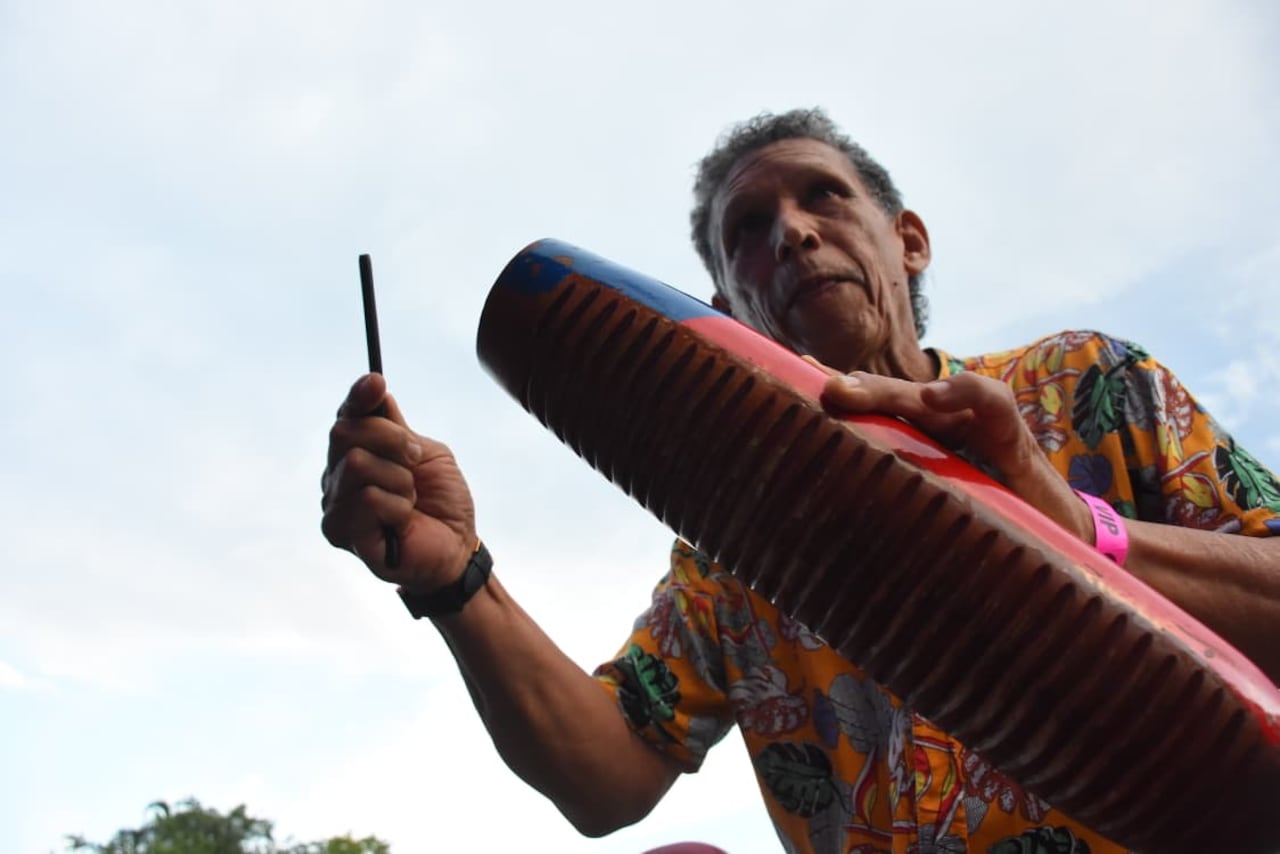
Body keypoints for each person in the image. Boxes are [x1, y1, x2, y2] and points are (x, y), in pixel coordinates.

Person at [320, 108, 1280, 852]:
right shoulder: (731, 555)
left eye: (823, 197)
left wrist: (1069, 521)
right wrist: (452, 578)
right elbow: (605, 779)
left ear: (908, 239)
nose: (790, 234)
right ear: (724, 311)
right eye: (746, 231)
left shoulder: (1085, 385)